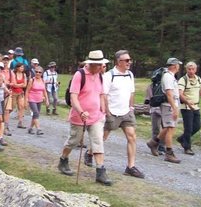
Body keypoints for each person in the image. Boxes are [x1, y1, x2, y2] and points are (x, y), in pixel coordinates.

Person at [58, 50, 112, 186]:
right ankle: (63, 160)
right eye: (99, 65)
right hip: (79, 116)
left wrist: (103, 110)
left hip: (96, 116)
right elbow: (73, 97)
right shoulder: (79, 75)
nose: (101, 67)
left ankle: (100, 171)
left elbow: (100, 94)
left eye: (102, 65)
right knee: (74, 141)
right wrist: (81, 111)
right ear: (91, 64)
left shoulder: (99, 75)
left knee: (98, 141)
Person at [101, 50, 144, 178]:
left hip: (126, 112)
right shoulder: (109, 75)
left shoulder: (130, 74)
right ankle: (90, 153)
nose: (129, 62)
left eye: (129, 60)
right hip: (112, 112)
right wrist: (107, 111)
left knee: (132, 137)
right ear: (118, 62)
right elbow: (104, 95)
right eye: (126, 60)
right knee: (102, 137)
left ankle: (130, 167)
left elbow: (132, 92)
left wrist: (131, 107)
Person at [147, 57, 182, 163]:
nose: (179, 67)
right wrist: (174, 108)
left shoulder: (171, 76)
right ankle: (169, 153)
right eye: (178, 65)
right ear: (175, 66)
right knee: (170, 128)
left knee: (168, 127)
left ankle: (154, 142)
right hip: (168, 105)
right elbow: (169, 93)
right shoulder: (168, 77)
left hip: (172, 104)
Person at [177, 61, 201, 155]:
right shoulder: (182, 80)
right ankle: (187, 147)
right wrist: (187, 102)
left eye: (193, 69)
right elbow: (180, 94)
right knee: (188, 128)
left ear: (196, 69)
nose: (191, 71)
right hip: (186, 107)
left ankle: (182, 138)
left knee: (197, 126)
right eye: (189, 69)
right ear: (186, 69)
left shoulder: (198, 79)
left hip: (196, 106)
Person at [26, 66, 49, 135]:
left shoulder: (42, 80)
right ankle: (38, 129)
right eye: (36, 72)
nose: (38, 73)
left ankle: (30, 128)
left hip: (39, 99)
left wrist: (47, 100)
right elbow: (27, 91)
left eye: (39, 72)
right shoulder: (32, 80)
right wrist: (26, 100)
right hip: (32, 99)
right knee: (35, 113)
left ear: (42, 73)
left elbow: (44, 91)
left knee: (36, 114)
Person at [0, 55, 15, 136]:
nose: (5, 61)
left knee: (6, 111)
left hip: (7, 93)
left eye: (7, 60)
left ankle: (5, 127)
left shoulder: (10, 72)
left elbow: (13, 82)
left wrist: (7, 83)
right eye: (4, 60)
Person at [11, 62, 28, 129]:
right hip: (13, 93)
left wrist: (18, 85)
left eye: (23, 67)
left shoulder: (24, 75)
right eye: (21, 67)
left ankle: (20, 122)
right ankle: (4, 119)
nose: (22, 68)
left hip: (20, 92)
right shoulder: (14, 74)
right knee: (11, 107)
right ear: (17, 68)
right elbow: (14, 84)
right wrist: (20, 85)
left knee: (21, 107)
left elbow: (25, 85)